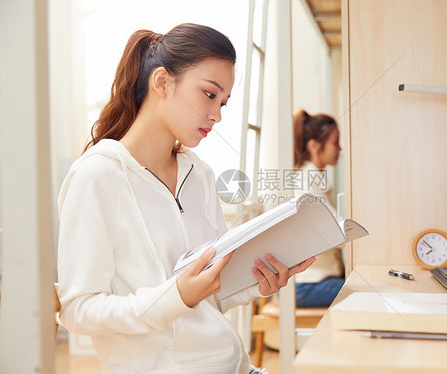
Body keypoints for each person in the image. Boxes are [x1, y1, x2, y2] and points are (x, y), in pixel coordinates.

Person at [56, 24, 314, 374]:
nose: (217, 115)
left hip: (235, 367)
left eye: (223, 102)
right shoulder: (97, 177)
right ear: (162, 82)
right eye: (209, 95)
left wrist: (257, 283)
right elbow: (78, 310)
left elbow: (209, 299)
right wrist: (176, 297)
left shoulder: (201, 175)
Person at [292, 109, 344, 308]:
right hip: (307, 286)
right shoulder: (307, 180)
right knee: (365, 291)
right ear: (314, 146)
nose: (340, 148)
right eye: (335, 142)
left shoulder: (314, 177)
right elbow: (334, 229)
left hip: (316, 281)